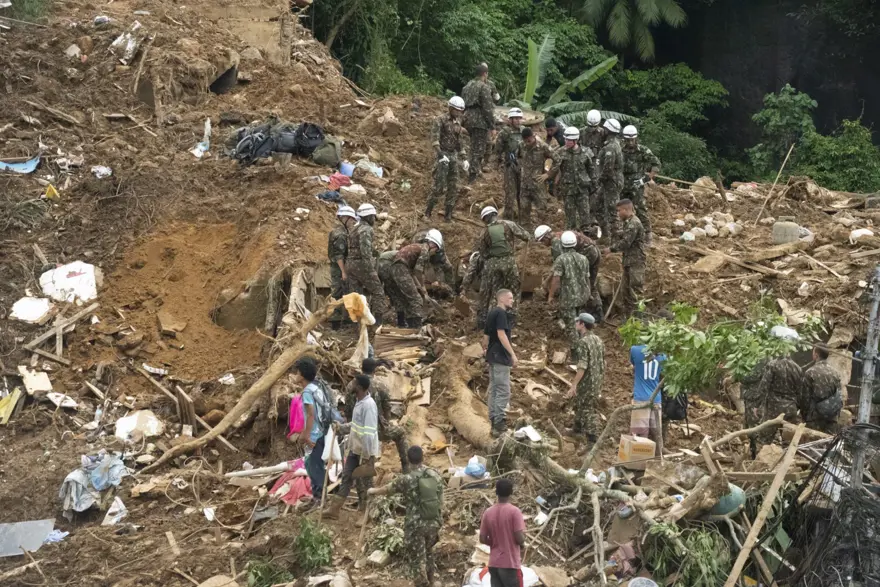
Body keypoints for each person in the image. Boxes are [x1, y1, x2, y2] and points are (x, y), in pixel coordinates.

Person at [368, 446, 444, 587]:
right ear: (423, 458)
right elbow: (441, 499)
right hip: (434, 522)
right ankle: (431, 581)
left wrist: (373, 491)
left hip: (416, 526)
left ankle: (422, 584)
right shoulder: (435, 475)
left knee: (417, 559)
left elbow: (387, 489)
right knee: (428, 552)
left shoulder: (407, 479)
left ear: (408, 460)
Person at [740, 331, 804, 458]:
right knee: (788, 442)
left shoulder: (772, 365)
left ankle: (761, 463)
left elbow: (763, 387)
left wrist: (757, 406)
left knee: (764, 440)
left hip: (773, 409)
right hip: (791, 409)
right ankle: (789, 464)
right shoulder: (797, 368)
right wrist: (798, 408)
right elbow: (800, 392)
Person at [324, 374, 380, 518]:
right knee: (346, 477)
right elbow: (356, 425)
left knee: (366, 483)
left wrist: (366, 457)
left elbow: (369, 433)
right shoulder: (359, 401)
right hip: (355, 449)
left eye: (354, 383)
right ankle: (334, 510)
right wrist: (341, 428)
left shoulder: (369, 405)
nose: (351, 385)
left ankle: (367, 514)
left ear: (359, 387)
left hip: (365, 452)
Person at [343, 358, 410, 472]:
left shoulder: (351, 385)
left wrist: (350, 427)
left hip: (355, 430)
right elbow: (387, 408)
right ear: (375, 370)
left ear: (361, 369)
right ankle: (406, 467)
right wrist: (386, 423)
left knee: (354, 455)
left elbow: (347, 409)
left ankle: (352, 474)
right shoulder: (380, 385)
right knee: (401, 433)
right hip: (376, 429)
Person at [475, 206, 531, 329]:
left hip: (493, 265)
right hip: (509, 263)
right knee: (513, 290)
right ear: (495, 214)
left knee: (495, 292)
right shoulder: (509, 224)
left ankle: (491, 320)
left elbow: (483, 253)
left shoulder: (484, 232)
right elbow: (526, 236)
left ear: (485, 219)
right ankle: (511, 319)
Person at [381, 230, 445, 329]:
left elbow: (413, 273)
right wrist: (423, 288)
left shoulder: (417, 247)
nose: (434, 253)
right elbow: (418, 271)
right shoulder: (425, 250)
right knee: (416, 299)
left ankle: (402, 324)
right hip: (401, 268)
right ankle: (416, 328)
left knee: (402, 298)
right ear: (433, 245)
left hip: (395, 269)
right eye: (436, 250)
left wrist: (419, 286)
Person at [535, 225, 602, 319]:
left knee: (574, 281)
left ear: (546, 237)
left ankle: (573, 311)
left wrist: (547, 285)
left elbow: (561, 265)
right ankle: (597, 314)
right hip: (595, 251)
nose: (543, 244)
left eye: (542, 241)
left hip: (587, 253)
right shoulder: (560, 235)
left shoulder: (556, 243)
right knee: (590, 283)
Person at [294, 357, 332, 505]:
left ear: (302, 375)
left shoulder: (307, 392)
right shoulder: (317, 388)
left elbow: (310, 413)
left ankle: (319, 499)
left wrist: (305, 434)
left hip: (314, 435)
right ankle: (319, 496)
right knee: (316, 465)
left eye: (297, 372)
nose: (295, 375)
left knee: (313, 466)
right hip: (321, 432)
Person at [426, 96, 469, 220]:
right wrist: (440, 155)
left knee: (453, 186)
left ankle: (448, 214)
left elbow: (459, 142)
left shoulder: (458, 123)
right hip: (442, 155)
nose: (458, 113)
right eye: (456, 110)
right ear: (450, 108)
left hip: (453, 156)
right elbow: (434, 139)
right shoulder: (440, 120)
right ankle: (427, 212)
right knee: (439, 186)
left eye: (460, 111)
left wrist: (464, 158)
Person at [547, 231, 591, 352]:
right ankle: (584, 342)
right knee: (580, 322)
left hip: (568, 298)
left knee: (571, 326)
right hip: (582, 296)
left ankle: (577, 351)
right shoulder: (584, 258)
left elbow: (556, 279)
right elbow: (587, 278)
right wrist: (589, 292)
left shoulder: (561, 259)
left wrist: (551, 296)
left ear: (562, 244)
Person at [346, 203, 388, 325]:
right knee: (378, 292)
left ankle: (357, 325)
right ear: (368, 217)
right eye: (373, 216)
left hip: (350, 265)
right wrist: (370, 270)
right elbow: (365, 252)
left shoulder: (354, 229)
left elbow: (355, 247)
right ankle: (377, 324)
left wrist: (375, 253)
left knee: (356, 295)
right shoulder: (366, 229)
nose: (374, 219)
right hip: (362, 265)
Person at [483, 289, 518, 436]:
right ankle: (499, 424)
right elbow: (501, 334)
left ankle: (493, 422)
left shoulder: (492, 313)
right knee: (503, 391)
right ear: (502, 299)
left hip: (492, 356)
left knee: (494, 390)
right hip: (500, 357)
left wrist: (486, 350)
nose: (512, 300)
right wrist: (512, 354)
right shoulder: (501, 313)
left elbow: (485, 336)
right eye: (510, 298)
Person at [602, 199, 646, 317]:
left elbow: (626, 243)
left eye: (619, 211)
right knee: (626, 292)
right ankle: (629, 318)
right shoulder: (628, 222)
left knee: (636, 291)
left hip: (636, 262)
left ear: (626, 210)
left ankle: (639, 319)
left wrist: (611, 249)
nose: (618, 214)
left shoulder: (633, 224)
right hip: (629, 261)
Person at [479, 479, 526, 587]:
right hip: (509, 564)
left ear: (496, 492)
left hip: (494, 564)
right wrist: (523, 541)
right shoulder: (515, 512)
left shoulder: (488, 512)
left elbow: (482, 538)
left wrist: (494, 542)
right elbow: (519, 537)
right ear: (511, 492)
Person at [549, 127, 594, 232]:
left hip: (582, 188)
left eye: (569, 140)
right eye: (566, 139)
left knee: (585, 214)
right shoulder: (560, 152)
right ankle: (571, 235)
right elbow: (554, 168)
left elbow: (591, 170)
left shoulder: (586, 152)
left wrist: (594, 186)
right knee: (570, 216)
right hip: (568, 189)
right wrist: (551, 181)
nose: (566, 142)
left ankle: (586, 234)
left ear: (576, 140)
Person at [621, 125, 661, 244]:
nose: (630, 142)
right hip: (622, 184)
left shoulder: (643, 150)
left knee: (640, 208)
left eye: (632, 139)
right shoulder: (620, 149)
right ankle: (625, 233)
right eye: (628, 140)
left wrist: (646, 179)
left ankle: (647, 234)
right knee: (622, 209)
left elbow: (656, 164)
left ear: (636, 138)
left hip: (636, 185)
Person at [569, 313, 604, 440]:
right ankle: (577, 429)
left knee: (587, 409)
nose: (575, 323)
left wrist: (574, 384)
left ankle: (592, 439)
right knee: (580, 403)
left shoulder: (583, 342)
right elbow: (602, 363)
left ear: (582, 324)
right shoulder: (598, 340)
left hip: (587, 381)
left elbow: (582, 366)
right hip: (597, 380)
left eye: (577, 322)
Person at [462, 63, 496, 182]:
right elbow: (487, 108)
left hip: (467, 118)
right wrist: (492, 125)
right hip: (479, 120)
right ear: (485, 74)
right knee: (478, 149)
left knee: (472, 146)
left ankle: (472, 170)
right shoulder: (484, 87)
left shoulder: (467, 86)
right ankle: (473, 176)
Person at [802, 343, 843, 433]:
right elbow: (839, 396)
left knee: (814, 441)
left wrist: (804, 416)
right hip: (832, 417)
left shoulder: (810, 372)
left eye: (813, 352)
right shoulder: (835, 373)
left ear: (816, 355)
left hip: (815, 418)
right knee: (829, 440)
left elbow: (805, 399)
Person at [516, 127, 553, 224]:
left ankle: (543, 229)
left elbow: (557, 159)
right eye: (525, 141)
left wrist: (548, 174)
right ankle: (525, 230)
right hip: (525, 184)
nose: (527, 143)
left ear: (534, 136)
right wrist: (521, 168)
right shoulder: (521, 145)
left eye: (529, 140)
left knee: (541, 210)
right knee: (524, 209)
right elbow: (518, 157)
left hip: (538, 184)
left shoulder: (543, 147)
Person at [328, 205, 357, 330]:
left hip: (340, 267)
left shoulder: (341, 231)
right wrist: (343, 272)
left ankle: (342, 321)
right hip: (339, 268)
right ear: (344, 218)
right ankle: (335, 324)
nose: (352, 222)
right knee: (337, 293)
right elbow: (339, 255)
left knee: (342, 292)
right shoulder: (340, 234)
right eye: (351, 219)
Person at [630, 343, 665, 445]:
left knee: (639, 436)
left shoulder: (635, 350)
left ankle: (640, 454)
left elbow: (633, 364)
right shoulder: (663, 355)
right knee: (656, 435)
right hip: (656, 399)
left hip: (640, 399)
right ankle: (658, 454)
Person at [596, 119, 624, 238]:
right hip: (608, 182)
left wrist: (599, 180)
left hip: (611, 182)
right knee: (597, 206)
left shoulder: (611, 147)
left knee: (613, 210)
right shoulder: (612, 144)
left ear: (608, 131)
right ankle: (606, 234)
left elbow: (608, 168)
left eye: (604, 129)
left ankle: (617, 238)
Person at [495, 108, 524, 219]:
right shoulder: (505, 132)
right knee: (510, 194)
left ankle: (523, 218)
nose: (518, 121)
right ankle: (508, 218)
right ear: (510, 120)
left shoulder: (524, 131)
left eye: (519, 118)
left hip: (523, 166)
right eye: (515, 119)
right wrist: (497, 164)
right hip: (510, 166)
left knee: (522, 193)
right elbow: (498, 150)